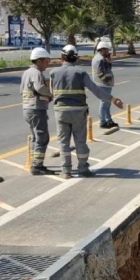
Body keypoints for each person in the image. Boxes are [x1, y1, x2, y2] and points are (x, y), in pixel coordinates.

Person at [51, 44, 123, 179]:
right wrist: (113, 99)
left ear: (62, 57)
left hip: (60, 112)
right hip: (78, 112)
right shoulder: (80, 72)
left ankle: (66, 171)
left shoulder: (53, 73)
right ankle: (83, 168)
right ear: (76, 58)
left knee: (63, 142)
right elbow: (96, 90)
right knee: (80, 141)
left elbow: (51, 93)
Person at [21, 47, 56, 175]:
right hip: (36, 109)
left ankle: (35, 163)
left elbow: (22, 91)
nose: (47, 64)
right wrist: (50, 94)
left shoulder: (26, 73)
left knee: (36, 137)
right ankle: (37, 166)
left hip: (27, 109)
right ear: (39, 61)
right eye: (46, 61)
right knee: (42, 138)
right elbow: (40, 87)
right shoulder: (36, 73)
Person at [92, 40, 117, 128]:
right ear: (101, 50)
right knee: (104, 104)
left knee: (107, 103)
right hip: (103, 85)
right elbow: (100, 73)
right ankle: (102, 122)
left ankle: (109, 120)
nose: (107, 52)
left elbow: (107, 68)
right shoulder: (100, 59)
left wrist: (109, 61)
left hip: (101, 84)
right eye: (106, 50)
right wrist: (107, 80)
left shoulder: (98, 57)